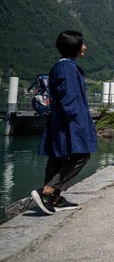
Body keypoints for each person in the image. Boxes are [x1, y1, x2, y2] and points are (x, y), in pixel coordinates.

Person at [31, 31, 97, 214]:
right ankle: (48, 191)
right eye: (82, 44)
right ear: (73, 46)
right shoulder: (68, 67)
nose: (84, 47)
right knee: (82, 155)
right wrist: (79, 121)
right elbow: (69, 98)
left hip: (60, 119)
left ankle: (55, 198)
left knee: (58, 156)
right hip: (70, 121)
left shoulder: (61, 66)